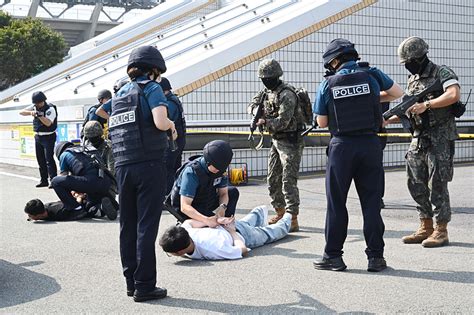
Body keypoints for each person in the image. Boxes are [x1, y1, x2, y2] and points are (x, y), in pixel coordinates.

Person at [312, 39, 404, 272]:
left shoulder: (328, 84)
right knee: (372, 203)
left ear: (334, 61)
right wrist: (371, 97)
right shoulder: (372, 74)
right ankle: (376, 258)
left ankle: (333, 256)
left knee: (337, 203)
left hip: (341, 147)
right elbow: (397, 93)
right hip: (371, 146)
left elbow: (322, 122)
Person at [109, 45, 176, 302]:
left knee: (127, 225)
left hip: (123, 165)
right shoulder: (151, 88)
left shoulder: (119, 95)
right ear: (154, 70)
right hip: (149, 164)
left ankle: (131, 282)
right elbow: (160, 122)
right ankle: (145, 285)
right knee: (146, 226)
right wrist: (170, 125)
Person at [385, 36, 460, 248]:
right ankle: (425, 226)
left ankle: (441, 230)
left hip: (439, 138)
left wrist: (427, 104)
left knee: (437, 184)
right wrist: (384, 120)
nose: (407, 66)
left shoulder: (441, 72)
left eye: (409, 61)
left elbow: (453, 94)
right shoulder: (413, 80)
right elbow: (408, 109)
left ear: (419, 57)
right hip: (418, 138)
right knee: (415, 182)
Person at [247, 59, 305, 232]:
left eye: (268, 77)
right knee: (272, 179)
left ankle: (292, 217)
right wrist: (254, 113)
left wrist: (265, 121)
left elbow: (284, 121)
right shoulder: (266, 92)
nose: (265, 80)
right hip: (276, 141)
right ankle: (280, 212)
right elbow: (252, 104)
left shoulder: (287, 94)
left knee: (288, 181)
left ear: (276, 76)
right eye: (263, 78)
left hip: (290, 141)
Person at [159, 205, 291, 260]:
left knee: (270, 233)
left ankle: (289, 216)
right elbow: (189, 222)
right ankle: (259, 211)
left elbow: (242, 250)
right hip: (224, 226)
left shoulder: (212, 250)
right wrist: (216, 221)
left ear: (180, 252)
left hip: (238, 235)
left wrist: (232, 232)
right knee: (246, 222)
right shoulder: (185, 230)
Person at [165, 140, 239, 227]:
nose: (219, 171)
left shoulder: (220, 168)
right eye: (217, 168)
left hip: (205, 198)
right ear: (208, 162)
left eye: (222, 168)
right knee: (211, 223)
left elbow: (223, 193)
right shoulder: (192, 172)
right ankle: (185, 223)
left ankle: (226, 225)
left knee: (233, 192)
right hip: (190, 206)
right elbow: (185, 206)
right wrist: (206, 220)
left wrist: (222, 207)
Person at [51, 141, 117, 220]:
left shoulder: (64, 155)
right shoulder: (87, 149)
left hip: (90, 182)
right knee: (90, 203)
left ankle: (76, 209)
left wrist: (71, 195)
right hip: (106, 182)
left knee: (56, 181)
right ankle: (102, 208)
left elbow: (64, 178)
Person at [19, 91, 58, 188]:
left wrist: (39, 115)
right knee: (40, 159)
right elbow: (21, 112)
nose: (38, 105)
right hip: (38, 136)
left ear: (43, 100)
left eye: (40, 102)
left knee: (49, 159)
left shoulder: (50, 108)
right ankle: (43, 180)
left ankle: (53, 180)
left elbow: (48, 123)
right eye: (36, 103)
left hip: (48, 136)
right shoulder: (35, 107)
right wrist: (31, 112)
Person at [158, 77, 187, 195]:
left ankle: (167, 196)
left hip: (172, 142)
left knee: (168, 170)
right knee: (175, 169)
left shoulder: (169, 103)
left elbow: (167, 123)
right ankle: (176, 195)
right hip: (179, 140)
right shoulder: (174, 99)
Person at [24, 198, 88, 221]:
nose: (29, 217)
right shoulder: (43, 208)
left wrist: (79, 197)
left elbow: (79, 209)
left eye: (30, 215)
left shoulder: (59, 213)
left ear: (39, 215)